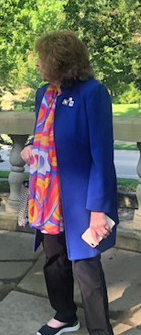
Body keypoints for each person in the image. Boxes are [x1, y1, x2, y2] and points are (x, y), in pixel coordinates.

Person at [20, 31, 118, 335]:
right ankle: (65, 315)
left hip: (80, 200)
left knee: (86, 266)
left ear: (58, 60)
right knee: (54, 259)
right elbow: (43, 134)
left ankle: (100, 331)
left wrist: (99, 209)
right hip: (46, 195)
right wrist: (30, 148)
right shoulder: (43, 93)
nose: (37, 63)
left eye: (42, 58)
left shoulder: (93, 93)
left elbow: (101, 155)